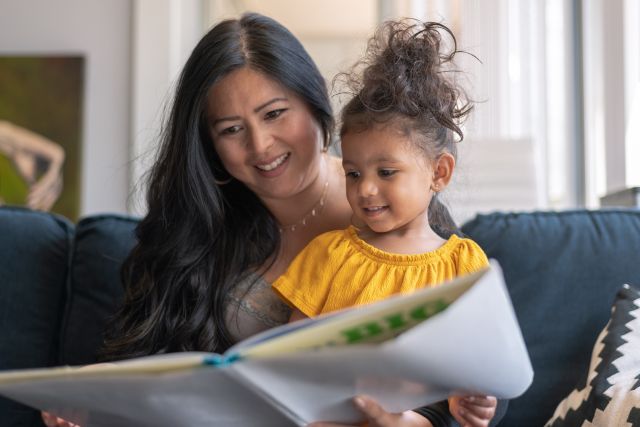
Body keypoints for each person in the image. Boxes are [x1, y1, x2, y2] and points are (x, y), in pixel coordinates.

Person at [42, 13, 503, 427]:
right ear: (210, 146)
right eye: (231, 129)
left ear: (314, 104)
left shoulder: (404, 208)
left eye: (275, 114)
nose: (260, 145)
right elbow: (146, 360)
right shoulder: (197, 227)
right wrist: (88, 399)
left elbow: (474, 381)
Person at [272, 19, 497, 427]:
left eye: (386, 173)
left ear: (439, 174)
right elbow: (290, 357)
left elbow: (478, 369)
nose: (366, 191)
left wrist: (477, 403)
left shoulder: (463, 265)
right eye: (354, 173)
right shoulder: (328, 254)